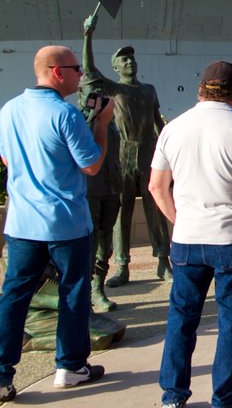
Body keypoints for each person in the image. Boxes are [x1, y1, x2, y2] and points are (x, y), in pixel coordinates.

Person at [148, 60, 232, 408]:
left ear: (200, 89)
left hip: (187, 239)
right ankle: (226, 398)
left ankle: (173, 397)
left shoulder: (173, 129)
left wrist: (180, 221)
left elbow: (157, 187)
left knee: (181, 317)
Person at [0, 45, 114, 400]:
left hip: (21, 223)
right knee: (73, 292)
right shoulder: (65, 115)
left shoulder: (8, 110)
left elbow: (6, 158)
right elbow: (91, 164)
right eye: (76, 69)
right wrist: (103, 125)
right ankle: (70, 365)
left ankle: (2, 374)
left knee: (14, 295)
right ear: (57, 72)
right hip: (65, 223)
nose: (81, 75)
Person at [83, 15, 169, 287]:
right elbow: (89, 70)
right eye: (123, 59)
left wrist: (167, 157)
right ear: (115, 66)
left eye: (132, 58)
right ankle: (122, 266)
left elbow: (159, 126)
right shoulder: (113, 88)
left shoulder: (149, 90)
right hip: (123, 155)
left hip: (148, 154)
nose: (130, 62)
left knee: (157, 208)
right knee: (123, 212)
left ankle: (163, 261)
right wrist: (88, 35)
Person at [80, 88, 122, 312]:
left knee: (105, 243)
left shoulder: (111, 122)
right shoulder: (79, 119)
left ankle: (98, 288)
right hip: (90, 190)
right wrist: (91, 115)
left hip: (111, 188)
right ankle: (85, 293)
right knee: (90, 241)